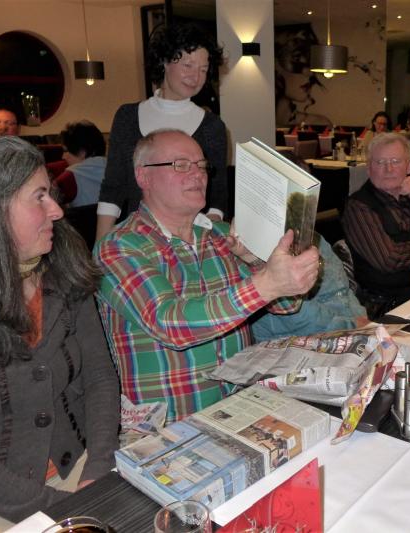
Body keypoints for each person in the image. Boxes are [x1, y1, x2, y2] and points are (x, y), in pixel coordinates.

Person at [0, 136, 119, 528]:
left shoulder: (63, 260)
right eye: (39, 197)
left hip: (85, 465)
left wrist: (99, 469)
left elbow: (99, 375)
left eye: (51, 193)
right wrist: (63, 508)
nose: (57, 210)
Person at [95, 130, 320, 423]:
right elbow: (169, 323)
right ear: (143, 176)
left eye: (202, 165)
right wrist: (267, 283)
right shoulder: (118, 247)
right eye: (181, 165)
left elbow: (287, 304)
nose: (198, 174)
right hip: (169, 424)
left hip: (240, 408)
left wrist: (255, 262)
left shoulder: (221, 234)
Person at [96, 23, 228, 243]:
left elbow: (217, 196)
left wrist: (205, 241)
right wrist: (100, 244)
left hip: (190, 238)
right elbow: (114, 187)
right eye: (188, 65)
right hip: (137, 238)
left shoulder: (212, 126)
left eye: (203, 70)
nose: (195, 76)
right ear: (165, 62)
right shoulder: (128, 117)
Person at [341, 132, 410, 318]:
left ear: (408, 166)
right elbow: (389, 259)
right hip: (386, 307)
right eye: (380, 162)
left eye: (396, 161)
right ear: (369, 168)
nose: (389, 169)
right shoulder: (359, 206)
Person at [249, 235, 367, 342]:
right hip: (296, 343)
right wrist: (356, 325)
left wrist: (361, 317)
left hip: (343, 329)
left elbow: (342, 289)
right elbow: (304, 322)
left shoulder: (312, 237)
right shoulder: (258, 256)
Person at [274, 24, 331, 127]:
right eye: (297, 59)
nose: (309, 72)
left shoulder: (318, 124)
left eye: (311, 62)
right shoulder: (256, 121)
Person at [54, 120, 107, 207]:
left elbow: (44, 199)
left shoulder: (71, 176)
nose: (63, 156)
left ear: (82, 152)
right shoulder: (116, 168)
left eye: (65, 151)